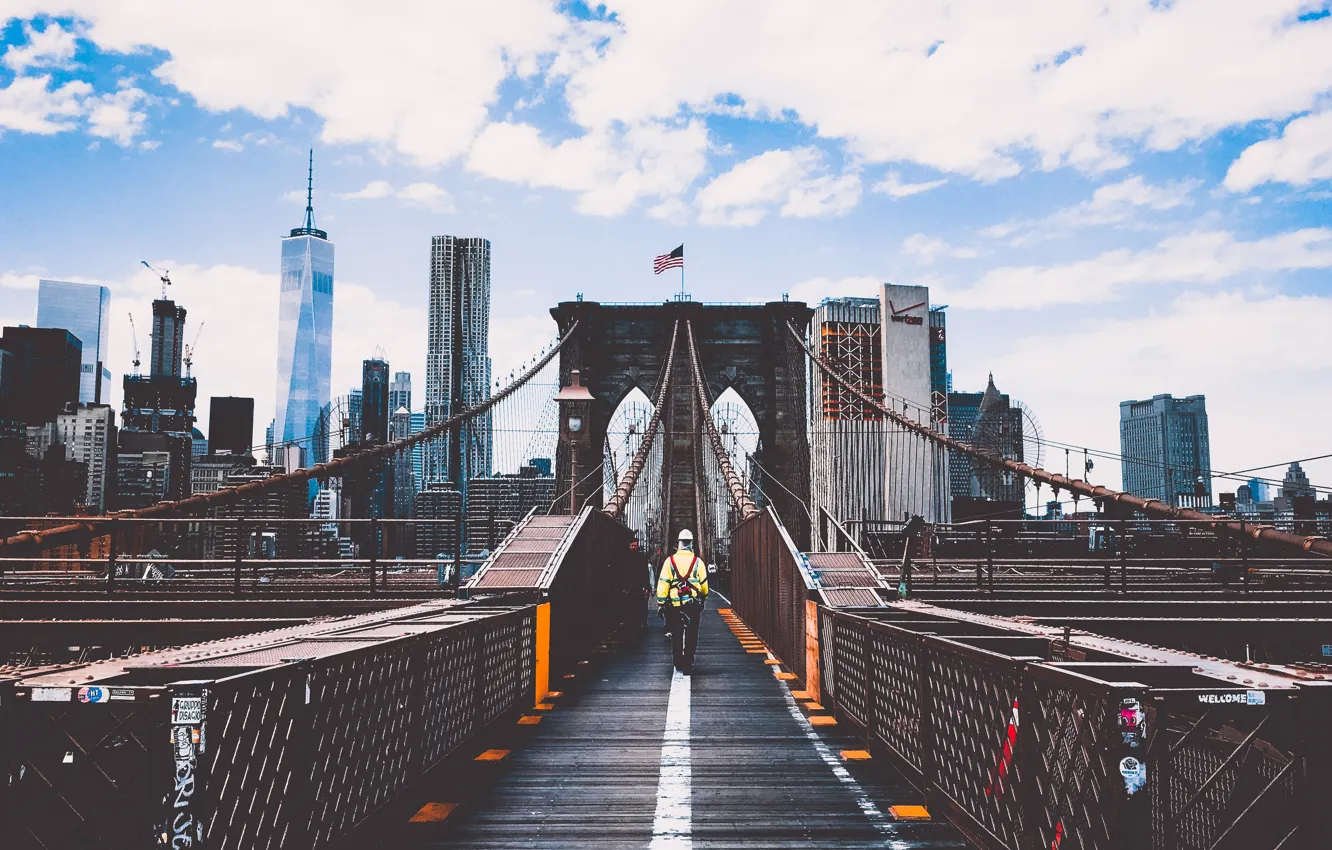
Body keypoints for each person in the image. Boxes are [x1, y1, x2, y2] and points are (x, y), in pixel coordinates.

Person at [656, 529, 709, 675]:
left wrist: (661, 603)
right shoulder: (698, 562)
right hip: (692, 605)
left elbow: (663, 583)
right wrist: (703, 598)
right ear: (692, 544)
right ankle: (688, 663)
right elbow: (704, 585)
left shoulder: (670, 562)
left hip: (674, 605)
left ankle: (678, 661)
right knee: (692, 634)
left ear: (679, 543)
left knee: (676, 634)